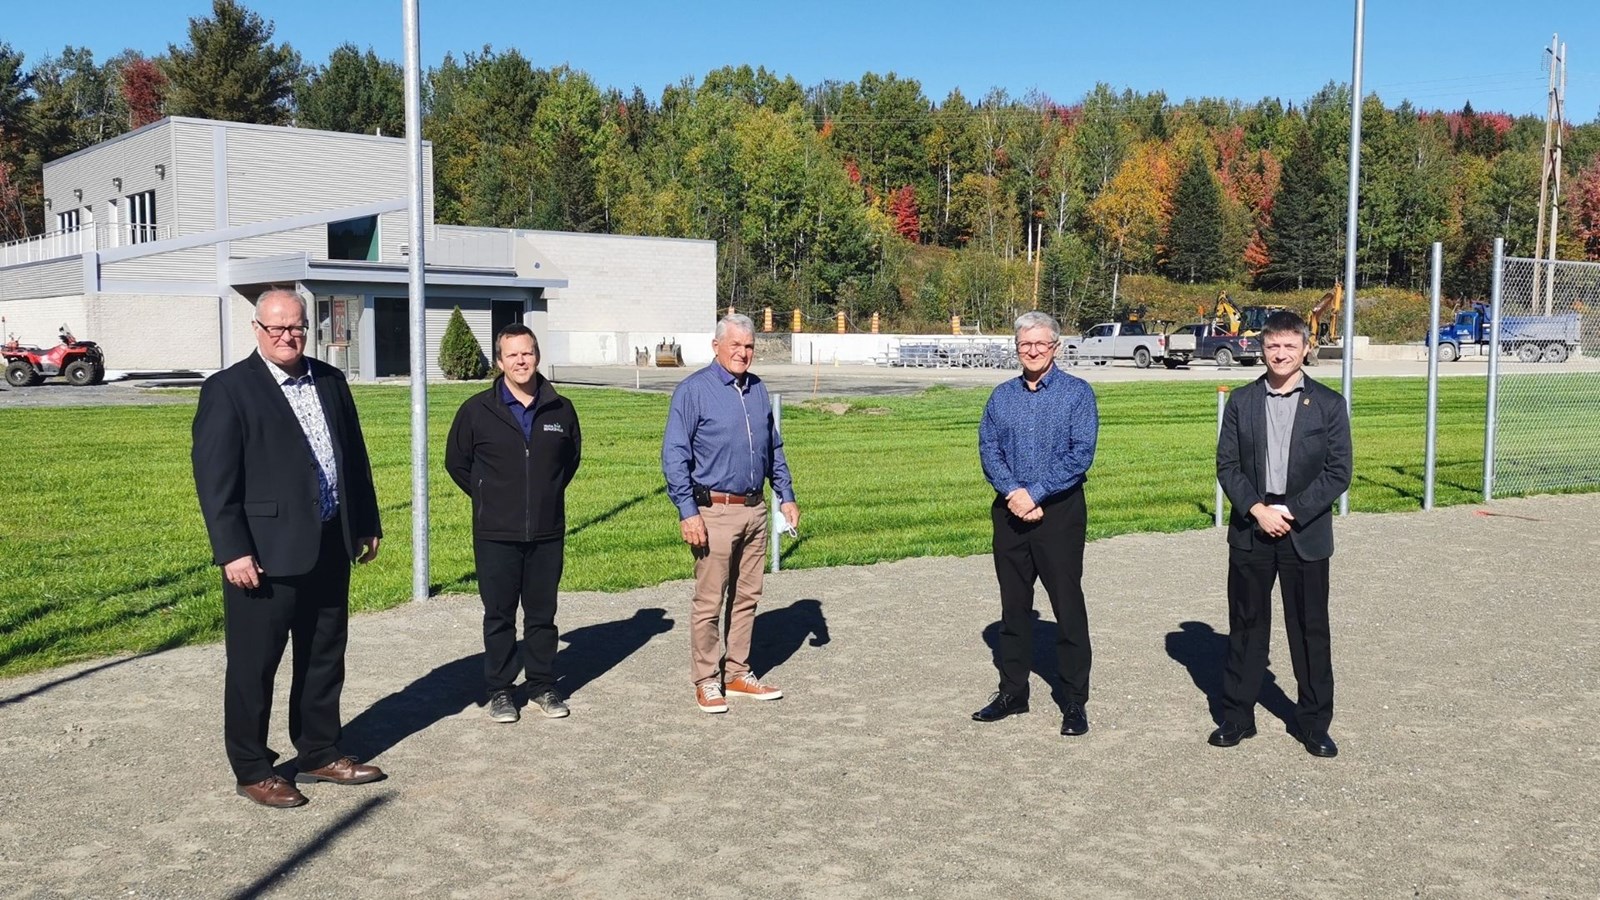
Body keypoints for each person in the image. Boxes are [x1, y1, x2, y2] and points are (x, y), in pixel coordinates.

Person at [191, 288, 384, 809]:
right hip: (263, 554)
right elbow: (215, 480)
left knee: (324, 655)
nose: (287, 337)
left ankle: (319, 751)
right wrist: (232, 550)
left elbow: (353, 457)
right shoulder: (229, 389)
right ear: (257, 329)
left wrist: (365, 522)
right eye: (276, 328)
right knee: (254, 667)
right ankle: (253, 768)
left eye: (296, 327)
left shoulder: (331, 380)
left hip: (329, 541)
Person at [1211, 310, 1352, 758]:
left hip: (1303, 531)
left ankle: (1313, 723)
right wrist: (1257, 509)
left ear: (1306, 349)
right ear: (1262, 349)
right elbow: (1227, 466)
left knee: (1310, 630)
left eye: (1290, 346)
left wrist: (1290, 511)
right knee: (1246, 626)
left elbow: (1338, 472)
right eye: (1273, 345)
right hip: (1252, 529)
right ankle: (1237, 716)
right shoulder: (1242, 402)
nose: (1281, 353)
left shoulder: (1328, 404)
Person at [662, 313, 799, 714]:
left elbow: (773, 448)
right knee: (710, 600)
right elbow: (674, 456)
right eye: (735, 345)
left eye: (749, 346)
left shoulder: (757, 389)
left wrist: (785, 495)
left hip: (754, 509)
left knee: (747, 596)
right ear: (716, 346)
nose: (743, 353)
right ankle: (706, 678)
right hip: (713, 512)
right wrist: (688, 512)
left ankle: (737, 672)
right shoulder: (693, 391)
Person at [446, 324, 581, 724]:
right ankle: (501, 690)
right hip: (495, 532)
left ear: (536, 356)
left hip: (546, 530)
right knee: (499, 615)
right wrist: (489, 496)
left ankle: (541, 684)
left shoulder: (561, 409)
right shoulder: (476, 411)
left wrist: (543, 495)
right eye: (513, 355)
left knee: (542, 615)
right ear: (499, 361)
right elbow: (457, 463)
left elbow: (568, 462)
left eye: (527, 353)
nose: (521, 361)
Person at [973, 311, 1099, 736]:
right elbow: (989, 449)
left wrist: (1036, 493)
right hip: (1010, 511)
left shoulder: (1077, 394)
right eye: (1025, 344)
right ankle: (1013, 692)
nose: (1032, 351)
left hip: (1059, 512)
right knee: (1013, 607)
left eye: (1040, 344)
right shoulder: (1001, 397)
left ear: (1055, 347)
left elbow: (1080, 453)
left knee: (1067, 606)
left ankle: (1074, 700)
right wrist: (1014, 492)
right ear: (1016, 348)